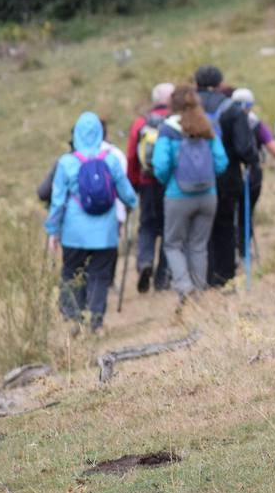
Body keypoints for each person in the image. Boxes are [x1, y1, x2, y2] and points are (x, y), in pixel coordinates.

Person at [45, 111, 138, 333]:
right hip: (105, 231)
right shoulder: (111, 159)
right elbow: (128, 195)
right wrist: (130, 205)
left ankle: (73, 319)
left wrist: (52, 231)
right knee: (100, 274)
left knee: (71, 272)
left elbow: (57, 202)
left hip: (73, 232)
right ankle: (95, 321)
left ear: (76, 133)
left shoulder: (66, 162)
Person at [151, 83, 229, 303]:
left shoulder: (168, 129)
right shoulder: (206, 126)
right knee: (198, 245)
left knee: (173, 244)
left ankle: (185, 287)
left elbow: (160, 165)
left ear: (172, 105)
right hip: (208, 195)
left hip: (178, 196)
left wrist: (170, 182)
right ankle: (199, 293)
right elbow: (221, 162)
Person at [194, 65, 257, 287]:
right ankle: (224, 276)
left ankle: (202, 276)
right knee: (225, 225)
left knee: (200, 230)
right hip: (227, 177)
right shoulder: (230, 108)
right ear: (220, 83)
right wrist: (252, 160)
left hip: (192, 177)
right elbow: (243, 148)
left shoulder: (188, 107)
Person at [126, 82, 174, 293]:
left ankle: (144, 262)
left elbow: (131, 156)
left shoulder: (140, 123)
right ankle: (162, 278)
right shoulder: (174, 121)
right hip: (170, 184)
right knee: (168, 228)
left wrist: (133, 182)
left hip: (146, 183)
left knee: (146, 225)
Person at [230, 87, 275, 260]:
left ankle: (232, 252)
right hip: (252, 174)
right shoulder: (256, 124)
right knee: (246, 213)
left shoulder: (224, 121)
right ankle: (244, 252)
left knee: (231, 213)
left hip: (231, 173)